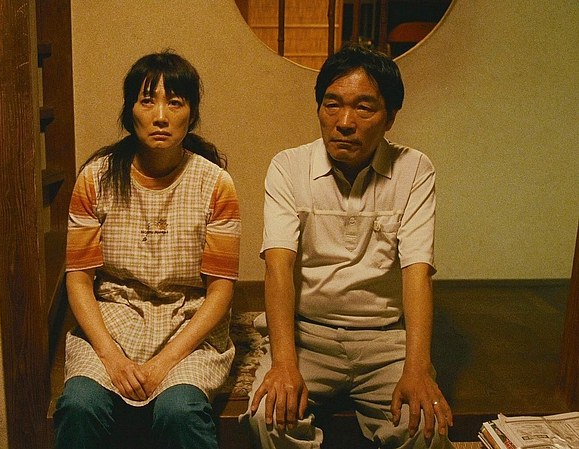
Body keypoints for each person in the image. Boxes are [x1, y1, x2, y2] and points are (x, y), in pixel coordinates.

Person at [243, 43, 454, 449]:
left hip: (384, 339)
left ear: (391, 117)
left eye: (364, 108)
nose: (344, 122)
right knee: (267, 418)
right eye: (332, 104)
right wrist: (284, 363)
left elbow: (417, 270)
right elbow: (278, 266)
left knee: (425, 429)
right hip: (307, 334)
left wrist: (417, 367)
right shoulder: (289, 167)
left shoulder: (414, 169)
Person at [53, 51, 241, 449]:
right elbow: (79, 280)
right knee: (79, 405)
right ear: (129, 111)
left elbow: (220, 291)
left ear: (191, 114)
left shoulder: (215, 184)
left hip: (187, 324)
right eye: (146, 101)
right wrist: (111, 357)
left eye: (175, 102)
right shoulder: (96, 178)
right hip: (113, 320)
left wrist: (163, 364)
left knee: (180, 411)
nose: (160, 116)